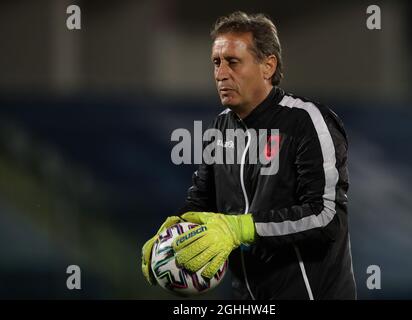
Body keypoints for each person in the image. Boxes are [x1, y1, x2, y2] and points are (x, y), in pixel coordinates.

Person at [142, 11, 357, 300]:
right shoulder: (220, 127)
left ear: (268, 66)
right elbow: (202, 200)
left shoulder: (307, 122)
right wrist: (175, 234)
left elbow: (325, 216)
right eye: (216, 63)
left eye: (233, 62)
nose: (220, 74)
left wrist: (241, 228)